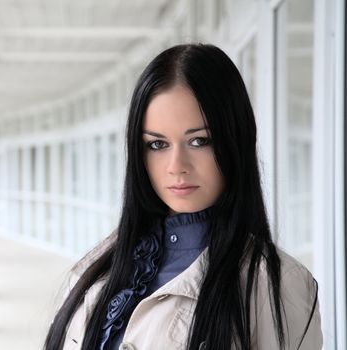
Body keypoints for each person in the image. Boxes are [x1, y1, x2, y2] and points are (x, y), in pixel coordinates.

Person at [44, 43, 322, 350]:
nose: (177, 167)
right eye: (157, 145)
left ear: (235, 140)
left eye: (199, 141)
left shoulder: (277, 287)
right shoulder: (100, 265)